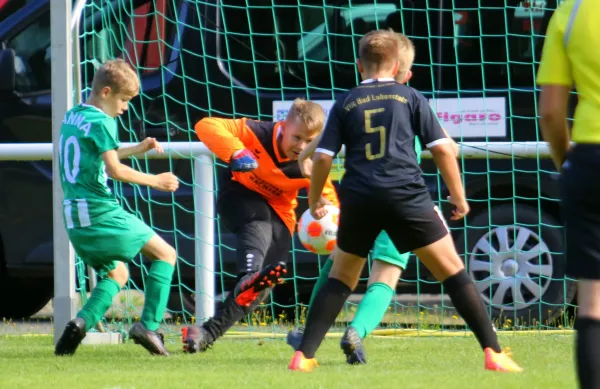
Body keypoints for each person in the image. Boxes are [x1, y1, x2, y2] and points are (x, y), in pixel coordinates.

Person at [287, 29, 523, 373]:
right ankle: (494, 353)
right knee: (452, 271)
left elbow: (322, 157)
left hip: (359, 198)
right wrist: (458, 196)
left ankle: (304, 356)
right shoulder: (410, 97)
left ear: (359, 66)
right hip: (406, 196)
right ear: (397, 65)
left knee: (341, 276)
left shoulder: (346, 101)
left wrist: (313, 200)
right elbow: (442, 149)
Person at [182, 99, 339, 353]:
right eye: (296, 137)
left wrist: (324, 210)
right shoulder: (256, 132)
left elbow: (329, 201)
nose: (301, 146)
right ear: (284, 125)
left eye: (309, 141)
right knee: (259, 223)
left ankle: (205, 334)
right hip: (238, 194)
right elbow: (205, 125)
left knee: (261, 289)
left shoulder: (313, 162)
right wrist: (236, 152)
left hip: (280, 213)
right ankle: (248, 275)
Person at [54, 59, 180, 357]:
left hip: (74, 219)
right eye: (123, 100)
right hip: (99, 212)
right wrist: (155, 181)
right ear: (106, 92)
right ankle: (148, 325)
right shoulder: (103, 121)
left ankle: (80, 323)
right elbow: (114, 170)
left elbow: (99, 152)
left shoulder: (74, 116)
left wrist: (138, 148)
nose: (125, 108)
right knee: (166, 254)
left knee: (117, 274)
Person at [537, 1, 600, 388]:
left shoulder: (572, 12)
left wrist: (566, 160)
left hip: (591, 159)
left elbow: (551, 111)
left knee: (593, 302)